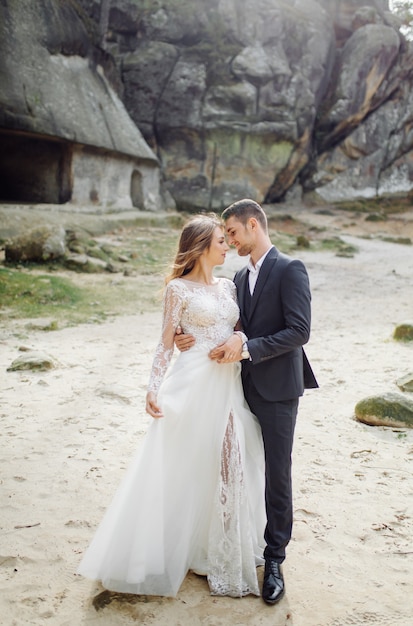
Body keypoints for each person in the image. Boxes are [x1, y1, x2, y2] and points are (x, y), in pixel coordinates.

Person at [77, 214, 266, 598]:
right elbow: (165, 342)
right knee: (186, 465)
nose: (226, 245)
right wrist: (152, 388)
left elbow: (241, 328)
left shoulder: (230, 287)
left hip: (227, 385)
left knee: (233, 460)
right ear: (199, 247)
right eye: (219, 240)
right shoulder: (177, 290)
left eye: (227, 239)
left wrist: (240, 337)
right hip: (191, 384)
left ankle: (221, 548)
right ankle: (180, 545)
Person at [176, 199, 318, 605]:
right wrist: (187, 335)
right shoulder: (238, 276)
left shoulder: (290, 269)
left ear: (253, 225)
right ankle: (229, 542)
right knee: (235, 466)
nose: (231, 240)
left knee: (276, 471)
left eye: (233, 233)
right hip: (238, 388)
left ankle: (274, 560)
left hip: (278, 390)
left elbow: (299, 331)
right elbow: (227, 323)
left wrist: (248, 347)